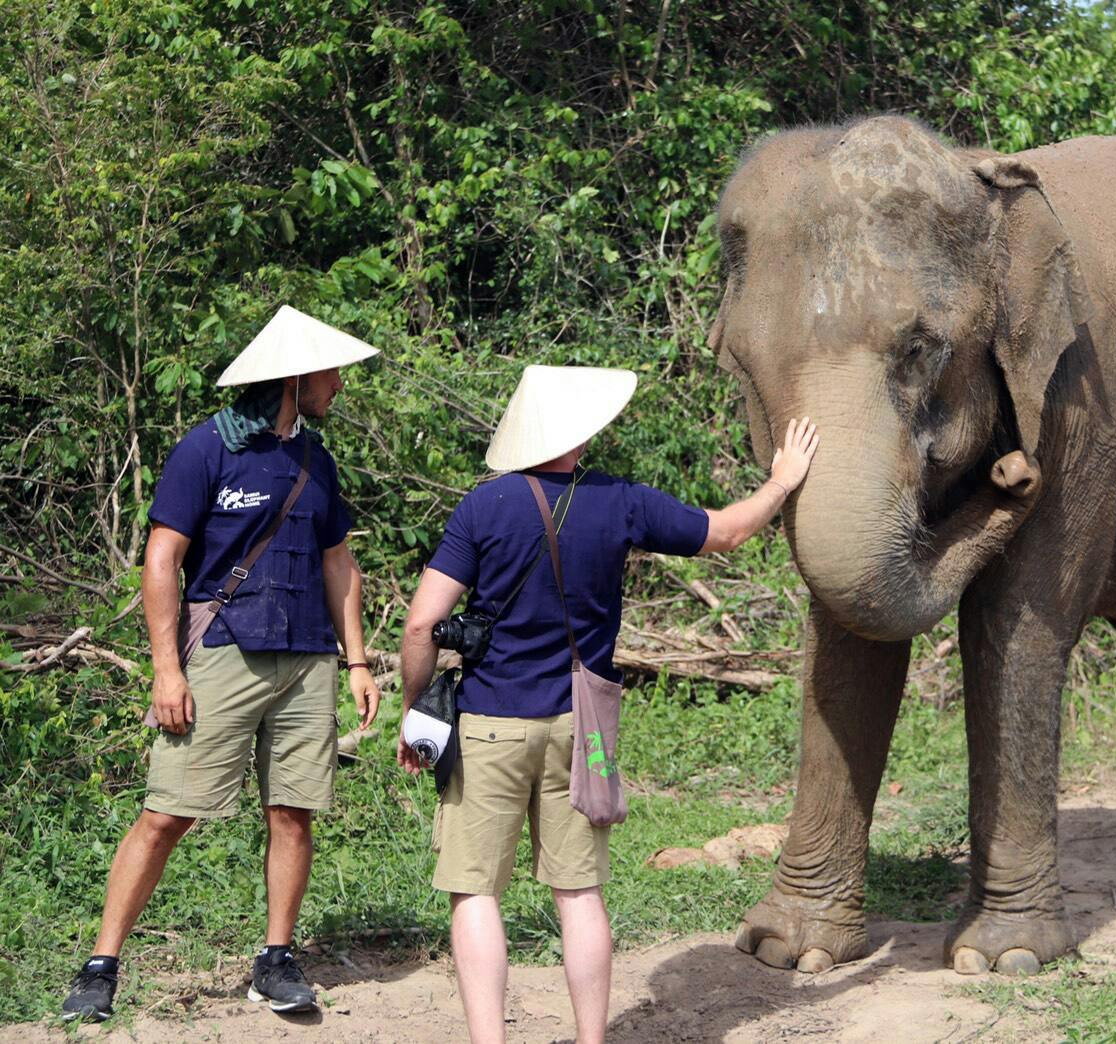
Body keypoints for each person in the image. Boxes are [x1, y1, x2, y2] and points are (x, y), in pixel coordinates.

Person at [398, 365, 818, 1044]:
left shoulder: (482, 507)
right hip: (580, 725)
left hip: (488, 726)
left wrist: (418, 710)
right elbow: (726, 532)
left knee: (476, 893)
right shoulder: (620, 502)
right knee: (580, 893)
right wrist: (781, 480)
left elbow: (422, 625)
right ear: (580, 435)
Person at [61, 306, 384, 1022]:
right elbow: (163, 558)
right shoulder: (205, 450)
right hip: (223, 651)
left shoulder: (316, 460)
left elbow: (339, 561)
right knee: (167, 814)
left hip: (306, 660)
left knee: (292, 813)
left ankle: (275, 961)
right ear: (295, 379)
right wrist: (166, 671)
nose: (339, 385)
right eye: (331, 373)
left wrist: (357, 660)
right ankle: (100, 966)